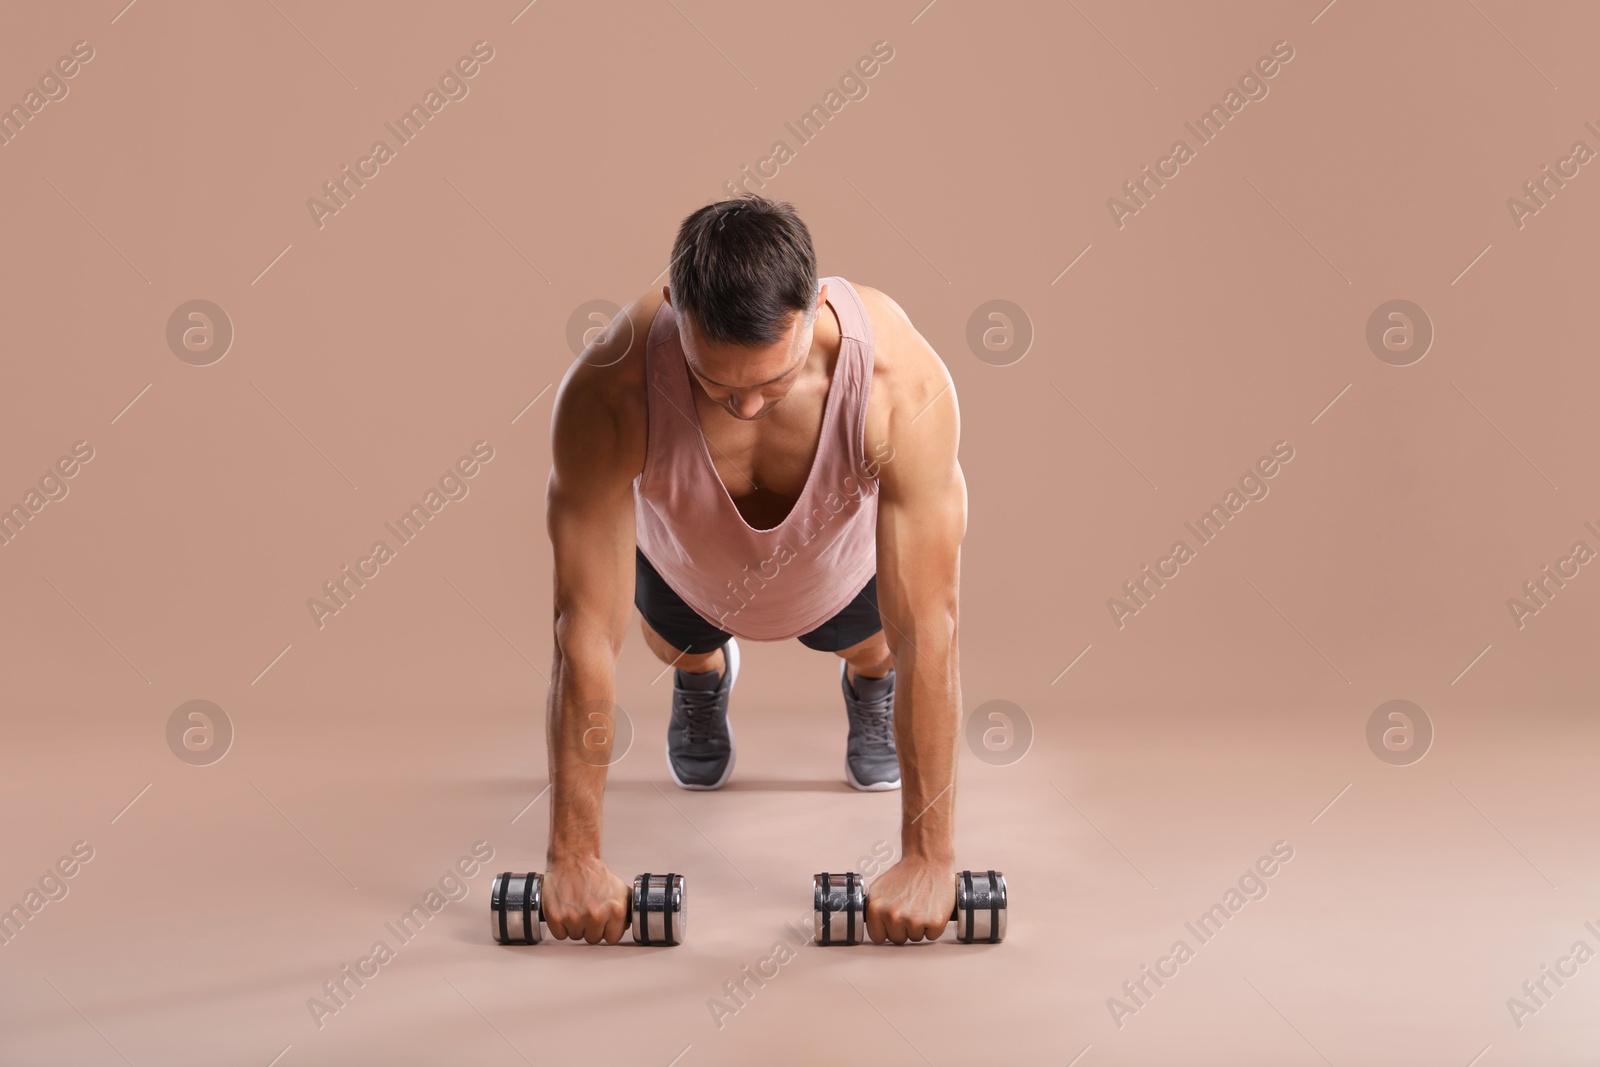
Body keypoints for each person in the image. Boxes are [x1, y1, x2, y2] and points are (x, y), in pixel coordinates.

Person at [541, 195, 966, 945]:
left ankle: (870, 685)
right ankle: (701, 677)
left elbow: (930, 624)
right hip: (687, 566)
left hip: (836, 569)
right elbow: (582, 629)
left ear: (816, 303)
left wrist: (929, 857)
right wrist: (573, 854)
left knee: (883, 645)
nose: (744, 409)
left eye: (772, 383)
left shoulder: (899, 383)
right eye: (716, 385)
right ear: (675, 310)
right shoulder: (610, 390)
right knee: (672, 645)